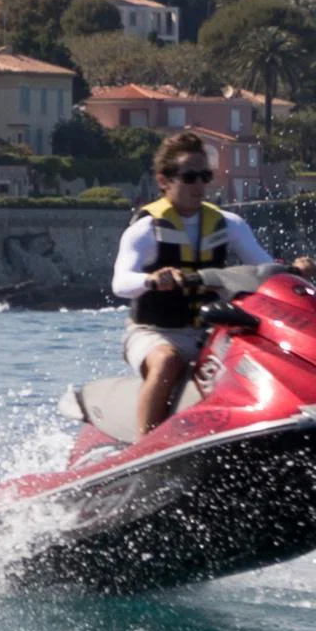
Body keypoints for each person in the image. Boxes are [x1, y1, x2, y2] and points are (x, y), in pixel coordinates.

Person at [107, 134, 264, 437]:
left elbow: (262, 266)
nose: (198, 186)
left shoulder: (229, 224)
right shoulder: (146, 229)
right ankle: (146, 444)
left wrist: (294, 270)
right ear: (164, 180)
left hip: (212, 334)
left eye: (204, 176)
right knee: (167, 361)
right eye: (189, 177)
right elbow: (121, 283)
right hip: (155, 332)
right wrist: (152, 280)